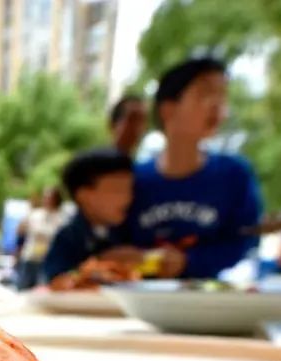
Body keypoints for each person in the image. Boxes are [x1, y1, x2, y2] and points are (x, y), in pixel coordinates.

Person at [124, 57, 263, 280]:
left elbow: (245, 241)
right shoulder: (132, 180)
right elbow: (111, 242)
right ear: (168, 109)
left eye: (222, 96)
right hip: (136, 295)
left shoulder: (234, 174)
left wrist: (189, 262)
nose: (217, 105)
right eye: (205, 94)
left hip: (211, 297)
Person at [42, 148, 143, 288]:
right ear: (84, 195)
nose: (127, 198)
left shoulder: (129, 231)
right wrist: (99, 263)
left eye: (129, 189)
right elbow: (54, 279)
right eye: (117, 190)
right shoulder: (69, 237)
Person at [16, 187, 64, 290]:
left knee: (42, 290)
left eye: (49, 197)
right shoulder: (35, 215)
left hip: (47, 261)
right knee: (23, 289)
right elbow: (20, 232)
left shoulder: (61, 219)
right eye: (45, 197)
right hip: (30, 257)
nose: (46, 200)